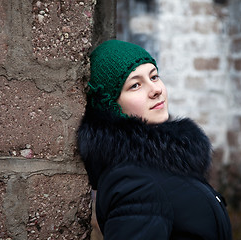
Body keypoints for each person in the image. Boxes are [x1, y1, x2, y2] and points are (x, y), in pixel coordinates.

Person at [77, 39, 232, 240]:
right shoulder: (134, 183)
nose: (155, 89)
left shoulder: (163, 161)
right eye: (135, 85)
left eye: (154, 76)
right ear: (111, 107)